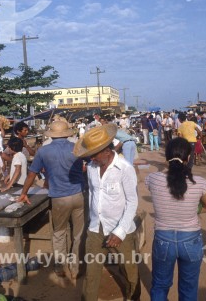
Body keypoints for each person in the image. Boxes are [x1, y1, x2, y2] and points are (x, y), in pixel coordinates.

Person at [73, 124, 140, 301]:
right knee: (92, 272)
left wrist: (120, 231)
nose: (92, 158)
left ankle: (134, 297)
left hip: (121, 229)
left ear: (107, 151)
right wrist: (91, 221)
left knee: (129, 270)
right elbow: (93, 194)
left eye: (95, 154)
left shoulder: (125, 168)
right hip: (96, 228)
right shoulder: (93, 168)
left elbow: (132, 202)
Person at [145, 137, 206, 300]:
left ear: (167, 157)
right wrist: (192, 210)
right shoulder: (200, 183)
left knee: (160, 285)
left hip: (163, 239)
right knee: (189, 287)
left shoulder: (152, 179)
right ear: (188, 158)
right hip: (190, 239)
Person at [18, 121, 85, 279]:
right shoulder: (76, 148)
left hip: (59, 197)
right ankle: (75, 268)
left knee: (59, 232)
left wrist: (24, 192)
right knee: (79, 233)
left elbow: (32, 174)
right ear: (68, 133)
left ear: (51, 135)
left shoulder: (43, 151)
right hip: (78, 194)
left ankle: (60, 266)